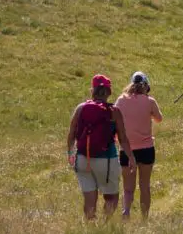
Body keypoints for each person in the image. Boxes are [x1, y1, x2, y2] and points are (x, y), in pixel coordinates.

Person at [67, 75, 136, 220]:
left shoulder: (81, 108)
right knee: (111, 197)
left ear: (92, 90)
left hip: (82, 158)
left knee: (89, 200)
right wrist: (131, 157)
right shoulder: (114, 111)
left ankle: (90, 228)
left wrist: (70, 153)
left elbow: (71, 133)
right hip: (106, 160)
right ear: (109, 92)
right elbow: (122, 138)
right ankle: (105, 226)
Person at [114, 71, 163, 219]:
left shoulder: (121, 100)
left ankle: (126, 211)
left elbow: (114, 118)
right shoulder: (150, 101)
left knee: (128, 188)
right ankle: (144, 218)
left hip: (126, 150)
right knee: (144, 186)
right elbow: (159, 118)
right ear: (146, 86)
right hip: (146, 149)